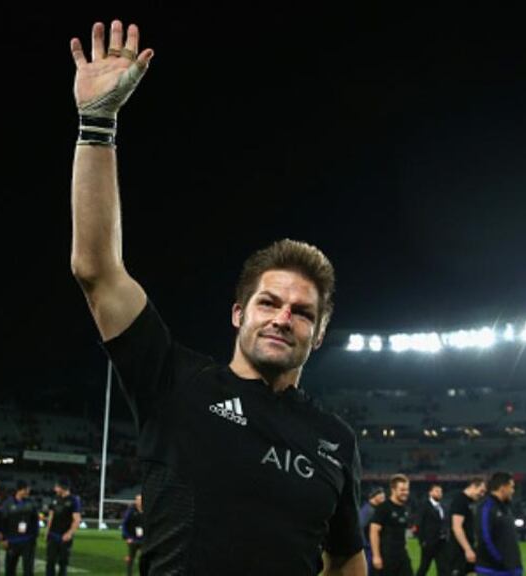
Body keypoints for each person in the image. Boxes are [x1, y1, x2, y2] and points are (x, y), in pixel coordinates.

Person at [68, 21, 365, 574]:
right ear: (238, 313)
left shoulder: (335, 442)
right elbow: (97, 270)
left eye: (302, 312)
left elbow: (346, 558)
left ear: (319, 333)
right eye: (268, 302)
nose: (283, 318)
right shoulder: (173, 381)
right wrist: (97, 123)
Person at [473, 472, 521, 576]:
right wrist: (501, 560)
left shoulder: (505, 507)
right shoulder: (487, 507)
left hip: (510, 568)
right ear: (502, 487)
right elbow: (485, 538)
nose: (513, 491)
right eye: (511, 487)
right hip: (493, 570)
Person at [370, 474, 413, 576]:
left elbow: (402, 531)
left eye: (407, 490)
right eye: (402, 490)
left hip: (402, 556)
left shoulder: (405, 509)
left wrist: (405, 548)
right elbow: (374, 531)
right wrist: (376, 556)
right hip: (387, 556)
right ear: (393, 490)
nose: (405, 493)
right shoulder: (383, 508)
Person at [445, 477, 486, 576]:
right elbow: (457, 527)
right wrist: (467, 549)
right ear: (473, 486)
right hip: (458, 551)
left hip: (470, 548)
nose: (482, 495)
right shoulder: (460, 501)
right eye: (481, 491)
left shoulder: (471, 502)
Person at [45, 479, 81, 576]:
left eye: (57, 487)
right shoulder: (55, 499)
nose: (55, 489)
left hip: (64, 536)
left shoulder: (74, 500)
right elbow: (51, 516)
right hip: (53, 535)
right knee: (50, 561)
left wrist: (69, 533)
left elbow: (77, 519)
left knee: (63, 563)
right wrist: (47, 532)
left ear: (63, 487)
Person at [1, 480, 38, 576]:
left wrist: (34, 537)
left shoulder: (31, 503)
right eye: (26, 490)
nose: (28, 492)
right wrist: (4, 538)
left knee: (28, 569)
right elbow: (3, 522)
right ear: (21, 490)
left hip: (28, 541)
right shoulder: (8, 503)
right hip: (12, 541)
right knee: (10, 569)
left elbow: (35, 521)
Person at [414, 484, 447, 576]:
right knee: (424, 566)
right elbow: (419, 524)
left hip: (442, 542)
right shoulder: (424, 506)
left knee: (443, 567)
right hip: (429, 542)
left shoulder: (443, 507)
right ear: (430, 493)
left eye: (441, 491)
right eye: (437, 491)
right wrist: (422, 541)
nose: (439, 493)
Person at [360, 487, 387, 571]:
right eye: (382, 497)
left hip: (370, 545)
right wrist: (366, 544)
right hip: (368, 547)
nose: (384, 500)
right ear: (375, 496)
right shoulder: (368, 510)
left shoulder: (371, 508)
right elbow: (360, 527)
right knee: (368, 569)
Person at [121, 494, 145, 576]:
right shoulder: (131, 511)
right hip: (133, 539)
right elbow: (124, 524)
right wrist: (127, 537)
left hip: (144, 540)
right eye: (138, 500)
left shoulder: (147, 511)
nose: (139, 501)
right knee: (131, 559)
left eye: (141, 500)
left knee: (144, 558)